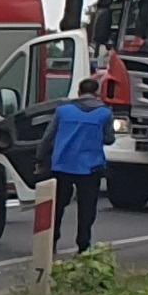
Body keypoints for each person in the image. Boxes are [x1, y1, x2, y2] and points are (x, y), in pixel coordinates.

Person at [47, 73, 114, 253]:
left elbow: (48, 136)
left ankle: (52, 241)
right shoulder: (105, 113)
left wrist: (40, 157)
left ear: (79, 91)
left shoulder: (63, 111)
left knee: (57, 206)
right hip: (90, 167)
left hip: (62, 164)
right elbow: (109, 139)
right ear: (96, 93)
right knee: (86, 207)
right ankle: (83, 244)